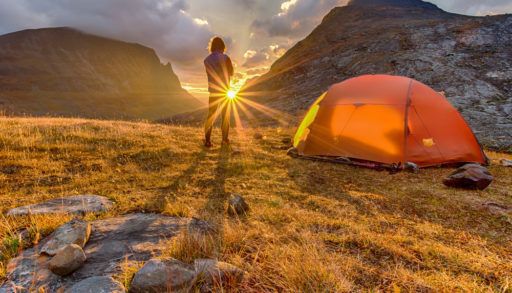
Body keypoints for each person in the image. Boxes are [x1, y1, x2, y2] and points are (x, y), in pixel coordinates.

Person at [203, 36, 234, 148]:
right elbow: (231, 73)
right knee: (225, 116)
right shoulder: (226, 58)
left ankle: (207, 141)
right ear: (222, 46)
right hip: (225, 91)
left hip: (213, 92)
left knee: (210, 116)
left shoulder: (206, 60)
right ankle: (224, 140)